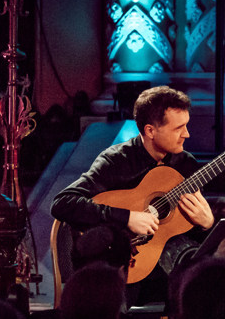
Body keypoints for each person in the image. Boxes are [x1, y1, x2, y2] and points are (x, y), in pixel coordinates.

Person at [50, 86, 215, 289]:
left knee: (197, 269)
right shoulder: (116, 161)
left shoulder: (185, 165)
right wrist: (128, 218)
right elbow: (63, 203)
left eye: (186, 126)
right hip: (123, 266)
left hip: (167, 271)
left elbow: (185, 232)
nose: (187, 134)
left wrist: (206, 225)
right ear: (150, 131)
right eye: (177, 128)